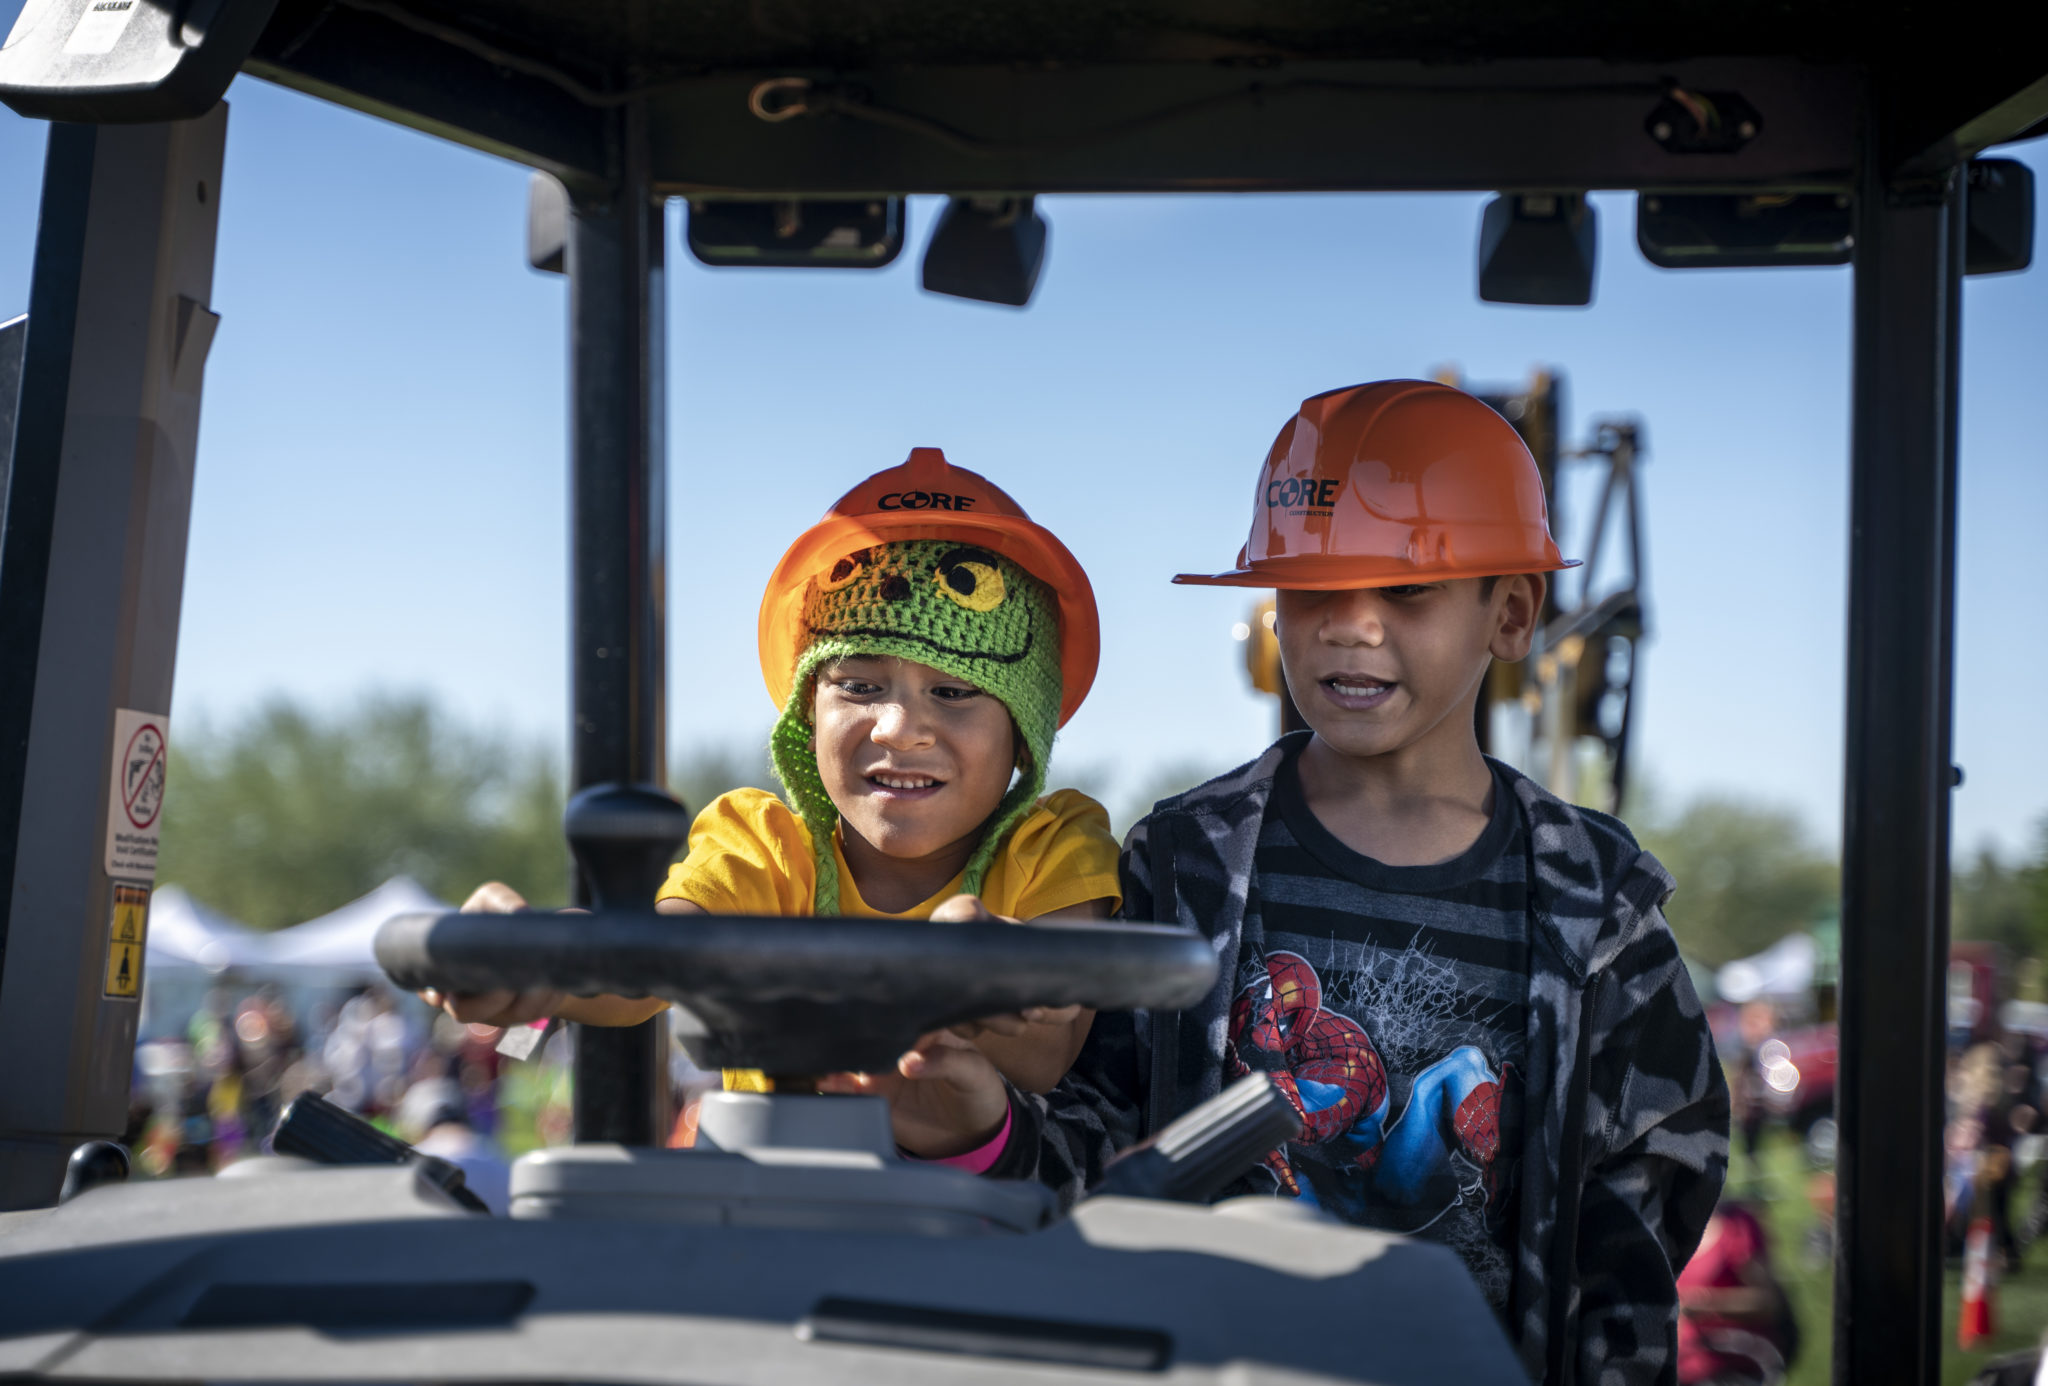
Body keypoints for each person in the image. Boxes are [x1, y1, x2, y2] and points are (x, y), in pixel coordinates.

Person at [914, 382, 1730, 1385]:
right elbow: (1102, 1156)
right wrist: (977, 1122)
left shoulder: (1591, 904)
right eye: (1314, 593)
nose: (1351, 629)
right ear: (1270, 618)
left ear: (1509, 614)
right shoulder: (1185, 865)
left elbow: (1651, 1181)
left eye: (1405, 593)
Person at [429, 449, 1121, 1150]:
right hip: (769, 1215)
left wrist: (997, 974)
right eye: (858, 685)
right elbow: (648, 959)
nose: (899, 729)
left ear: (1023, 733)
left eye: (953, 692)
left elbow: (1047, 1050)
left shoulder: (1055, 847)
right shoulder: (763, 847)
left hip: (987, 1232)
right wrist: (543, 961)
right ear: (807, 713)